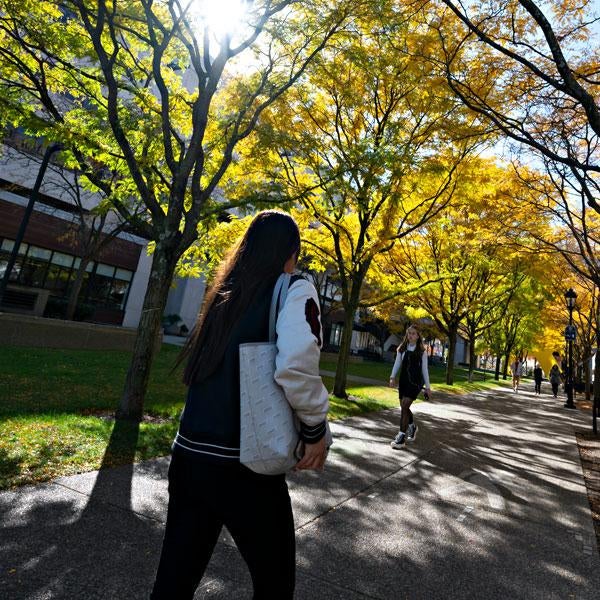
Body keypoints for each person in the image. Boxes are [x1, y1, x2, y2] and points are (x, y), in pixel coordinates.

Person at [151, 210, 330, 599]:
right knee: (274, 584)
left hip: (190, 454)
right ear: (291, 254)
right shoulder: (294, 287)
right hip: (246, 464)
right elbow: (297, 363)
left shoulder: (222, 293)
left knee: (174, 581)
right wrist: (315, 428)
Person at [388, 324, 431, 449]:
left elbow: (425, 370)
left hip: (416, 383)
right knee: (404, 406)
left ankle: (401, 437)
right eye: (409, 333)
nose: (411, 336)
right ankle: (412, 426)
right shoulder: (402, 349)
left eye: (413, 333)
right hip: (404, 381)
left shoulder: (422, 352)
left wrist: (427, 388)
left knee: (405, 405)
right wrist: (392, 377)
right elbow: (397, 364)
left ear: (418, 336)